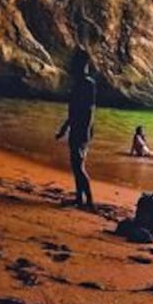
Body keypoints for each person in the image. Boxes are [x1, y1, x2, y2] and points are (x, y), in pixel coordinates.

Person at [55, 50, 96, 209]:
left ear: (84, 64)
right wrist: (64, 129)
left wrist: (85, 131)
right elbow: (73, 110)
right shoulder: (79, 83)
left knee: (79, 166)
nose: (73, 66)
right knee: (75, 165)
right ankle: (80, 198)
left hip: (81, 130)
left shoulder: (88, 83)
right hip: (76, 128)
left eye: (76, 63)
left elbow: (90, 109)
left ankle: (90, 201)